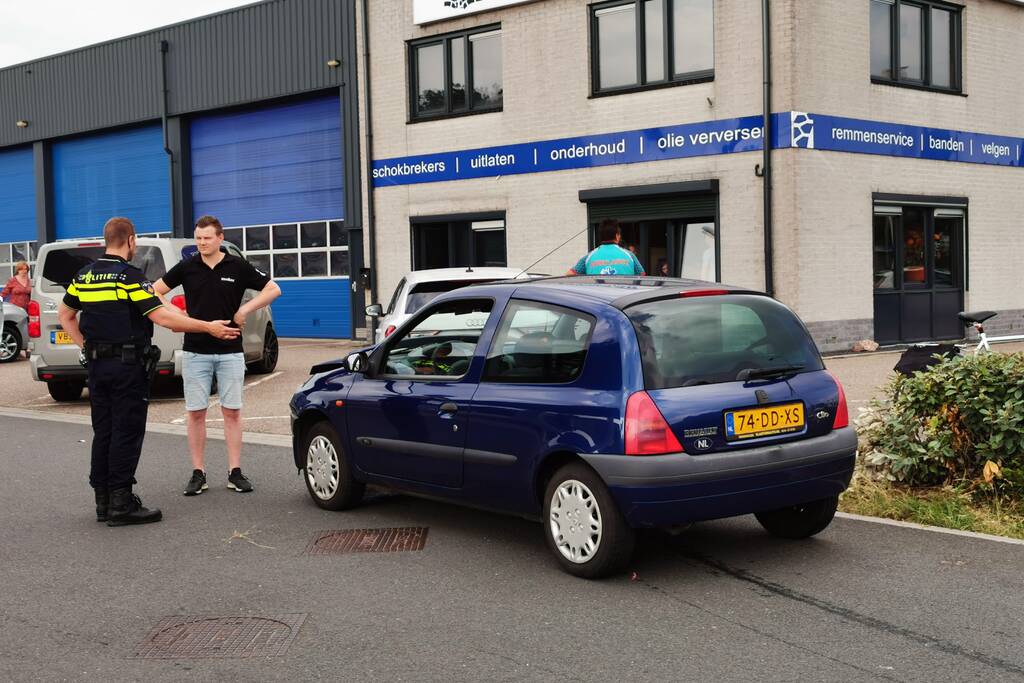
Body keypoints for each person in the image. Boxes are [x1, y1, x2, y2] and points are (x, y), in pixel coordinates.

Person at [57, 217, 240, 526]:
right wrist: (207, 326)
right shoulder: (128, 277)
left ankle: (103, 501)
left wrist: (86, 347)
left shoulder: (84, 276)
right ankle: (121, 503)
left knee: (104, 431)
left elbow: (65, 314)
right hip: (126, 368)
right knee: (126, 431)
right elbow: (162, 318)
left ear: (106, 240)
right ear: (130, 241)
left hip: (98, 368)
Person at [154, 215, 281, 496]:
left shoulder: (237, 266)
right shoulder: (187, 266)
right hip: (195, 351)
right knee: (196, 413)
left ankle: (235, 472)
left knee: (232, 412)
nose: (202, 243)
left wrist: (244, 310)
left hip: (230, 352)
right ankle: (198, 473)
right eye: (198, 238)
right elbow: (155, 291)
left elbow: (273, 289)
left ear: (220, 238)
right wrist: (179, 313)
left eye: (207, 238)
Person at [566, 219, 646, 276]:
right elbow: (642, 275)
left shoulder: (588, 257)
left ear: (600, 236)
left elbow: (569, 275)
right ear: (617, 236)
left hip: (598, 295)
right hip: (624, 295)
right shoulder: (630, 255)